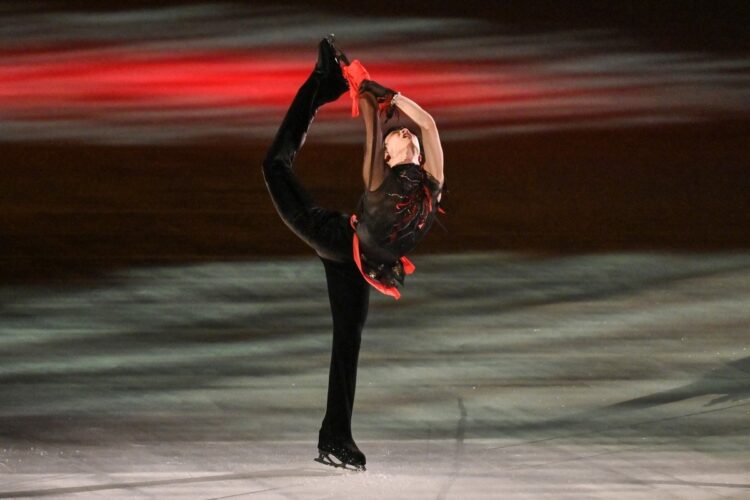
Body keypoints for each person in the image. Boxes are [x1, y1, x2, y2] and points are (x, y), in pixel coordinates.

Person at [261, 36, 444, 471]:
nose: (406, 134)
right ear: (388, 154)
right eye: (399, 136)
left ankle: (335, 438)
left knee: (348, 339)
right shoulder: (380, 183)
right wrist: (362, 89)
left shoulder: (431, 183)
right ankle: (320, 84)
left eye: (407, 137)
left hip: (365, 262)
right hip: (336, 237)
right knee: (274, 166)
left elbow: (430, 125)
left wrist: (388, 95)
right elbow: (371, 129)